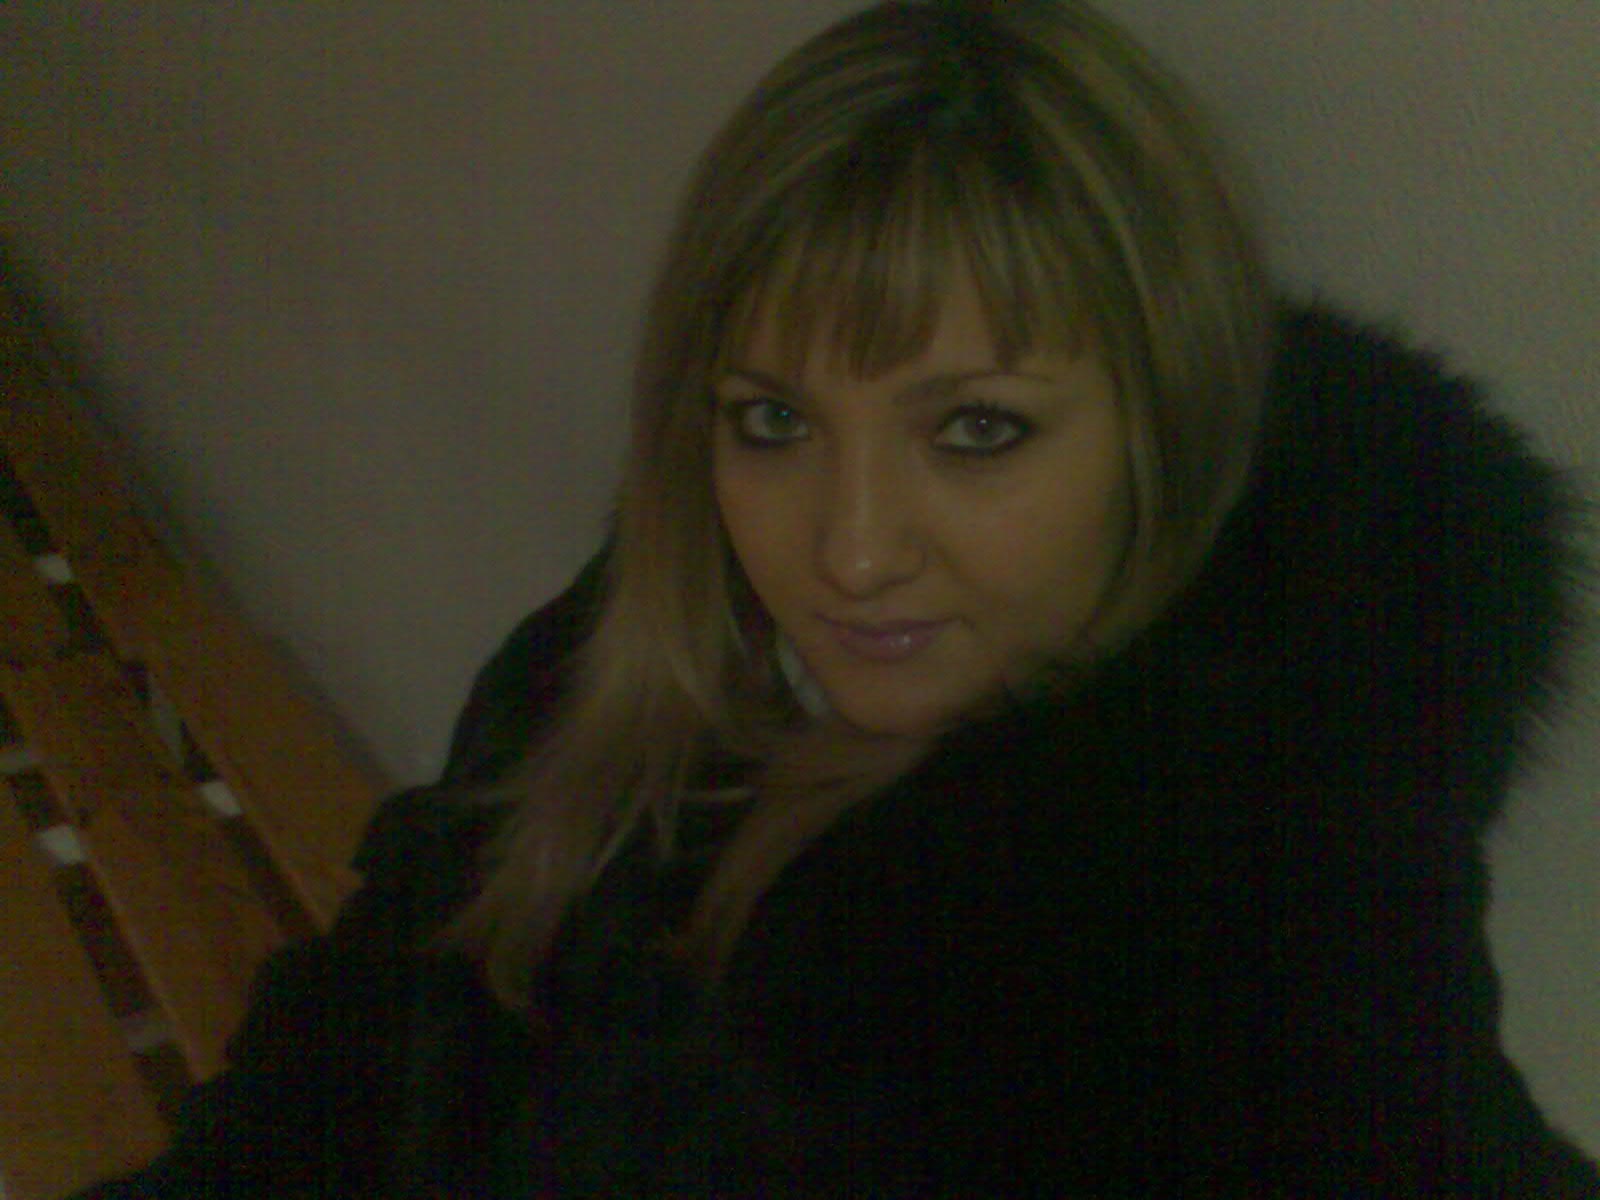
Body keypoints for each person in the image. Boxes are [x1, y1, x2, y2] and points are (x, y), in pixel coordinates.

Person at [81, 1, 1596, 1195]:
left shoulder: (1255, 922)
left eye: (977, 429)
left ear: (1166, 430)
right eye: (774, 420)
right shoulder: (645, 651)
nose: (851, 549)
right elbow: (380, 1020)